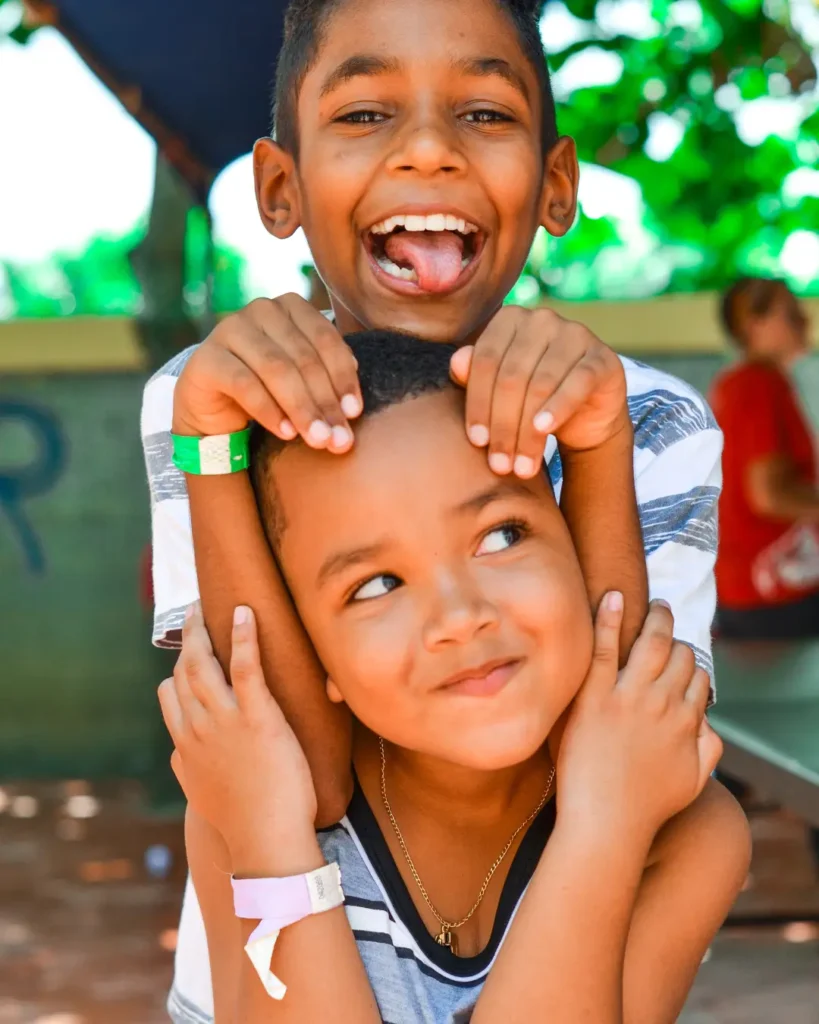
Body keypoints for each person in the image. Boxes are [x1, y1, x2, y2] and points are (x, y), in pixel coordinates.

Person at [140, 0, 723, 1013]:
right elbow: (299, 783)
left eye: (484, 114)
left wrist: (597, 444)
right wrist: (208, 437)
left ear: (555, 185)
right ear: (280, 188)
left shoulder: (650, 421)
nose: (427, 151)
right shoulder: (218, 406)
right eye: (365, 113)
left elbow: (613, 757)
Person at [159, 331, 750, 1024]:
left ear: (572, 549)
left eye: (501, 536)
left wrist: (607, 827)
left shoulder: (687, 839)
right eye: (377, 585)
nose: (460, 617)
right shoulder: (248, 806)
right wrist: (273, 849)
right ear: (316, 656)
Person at [711, 277, 819, 638]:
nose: (804, 321)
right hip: (768, 590)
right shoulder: (757, 385)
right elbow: (768, 496)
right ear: (752, 323)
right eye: (791, 314)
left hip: (749, 588)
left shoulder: (742, 384)